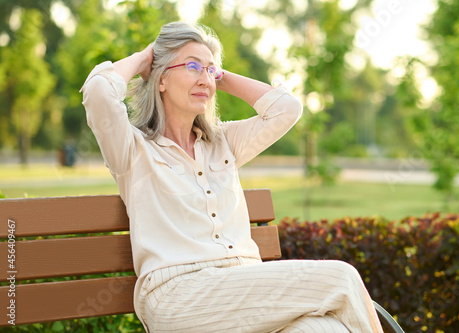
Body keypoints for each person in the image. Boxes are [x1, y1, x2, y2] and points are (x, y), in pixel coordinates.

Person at [81, 21, 383, 333]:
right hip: (178, 296)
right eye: (192, 66)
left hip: (242, 287)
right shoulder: (133, 150)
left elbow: (286, 109)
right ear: (161, 79)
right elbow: (99, 92)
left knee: (322, 330)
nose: (204, 79)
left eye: (210, 70)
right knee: (341, 278)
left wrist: (216, 77)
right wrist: (146, 58)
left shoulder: (222, 143)